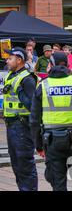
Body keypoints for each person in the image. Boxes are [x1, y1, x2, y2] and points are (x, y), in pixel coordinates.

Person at [30, 52, 72, 191]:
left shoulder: (43, 86)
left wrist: (39, 146)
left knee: (58, 183)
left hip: (52, 144)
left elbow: (34, 120)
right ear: (68, 65)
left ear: (50, 65)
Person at [3, 47, 38, 191]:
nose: (7, 61)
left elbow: (33, 106)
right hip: (11, 125)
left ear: (19, 60)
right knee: (16, 164)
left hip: (22, 126)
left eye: (10, 58)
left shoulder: (27, 79)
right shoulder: (10, 76)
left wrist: (19, 91)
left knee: (25, 164)